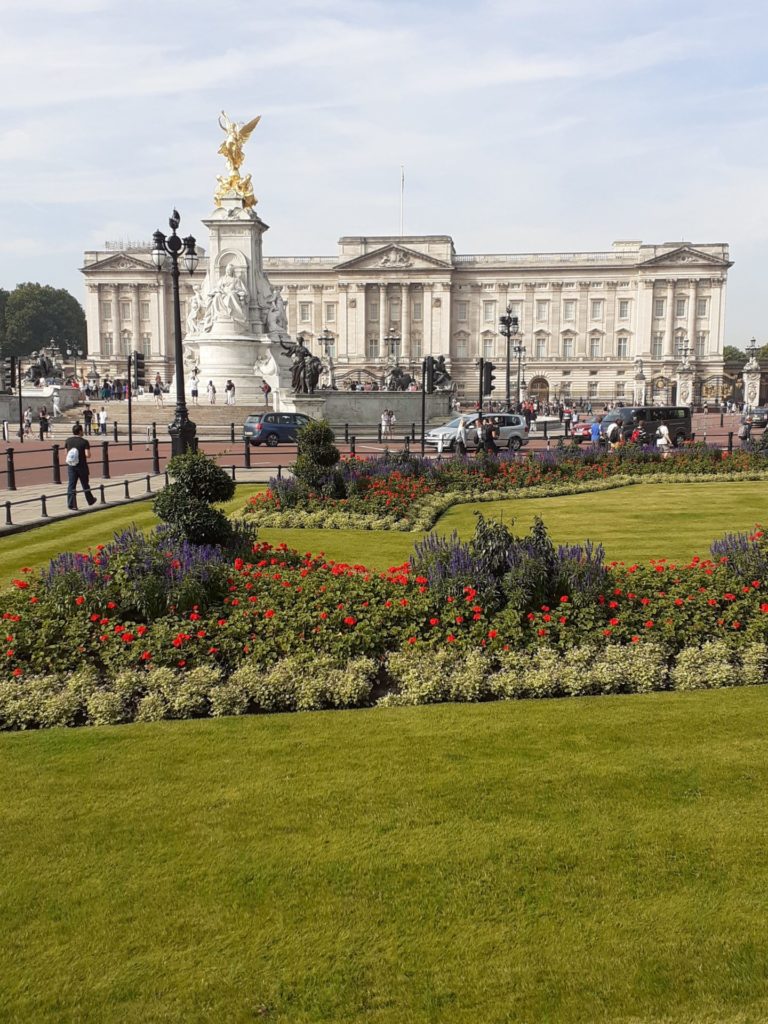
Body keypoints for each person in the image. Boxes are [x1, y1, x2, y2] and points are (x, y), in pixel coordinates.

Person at [64, 422, 97, 510]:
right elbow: (88, 455)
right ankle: (90, 500)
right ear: (80, 431)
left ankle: (71, 504)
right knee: (85, 484)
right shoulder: (84, 442)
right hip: (82, 465)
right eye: (82, 431)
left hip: (71, 466)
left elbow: (66, 453)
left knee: (71, 485)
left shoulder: (68, 440)